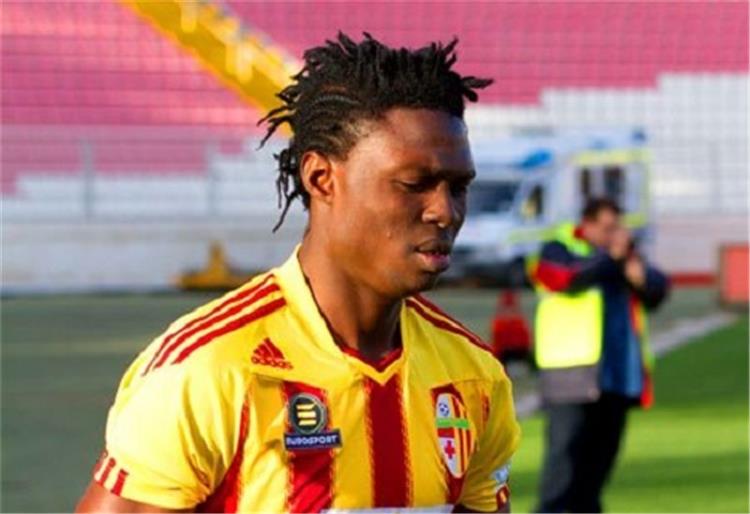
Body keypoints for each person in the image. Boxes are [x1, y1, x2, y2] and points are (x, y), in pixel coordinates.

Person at [75, 33, 520, 513]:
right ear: (321, 178)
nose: (445, 211)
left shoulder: (473, 376)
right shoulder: (209, 369)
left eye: (459, 188)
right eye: (415, 184)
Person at [528, 198, 669, 513]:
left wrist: (639, 274)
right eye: (607, 228)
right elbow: (564, 278)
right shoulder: (560, 248)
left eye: (617, 227)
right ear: (587, 224)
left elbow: (657, 290)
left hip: (617, 376)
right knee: (563, 460)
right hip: (569, 371)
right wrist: (612, 258)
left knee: (600, 462)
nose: (613, 235)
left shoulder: (622, 257)